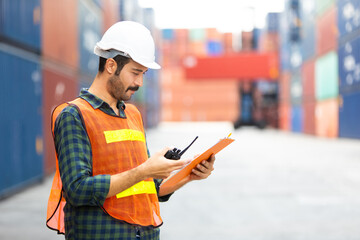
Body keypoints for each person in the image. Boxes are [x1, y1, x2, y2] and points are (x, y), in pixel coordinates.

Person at [46, 21, 216, 240]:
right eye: (135, 72)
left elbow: (149, 189)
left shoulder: (133, 115)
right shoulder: (74, 115)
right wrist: (145, 170)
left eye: (143, 73)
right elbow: (77, 190)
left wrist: (188, 175)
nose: (140, 82)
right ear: (110, 66)